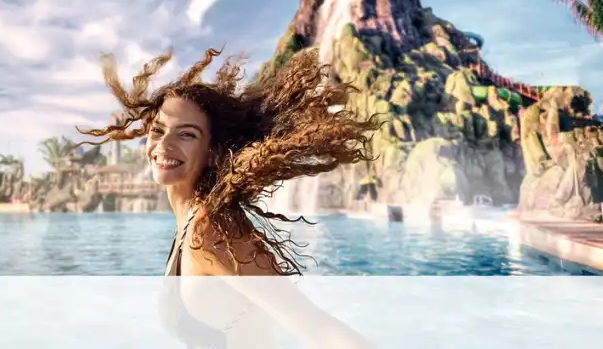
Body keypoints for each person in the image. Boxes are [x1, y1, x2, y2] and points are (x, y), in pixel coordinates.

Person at [77, 47, 380, 348]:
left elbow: (315, 326)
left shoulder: (210, 229)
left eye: (187, 134)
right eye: (158, 130)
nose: (164, 144)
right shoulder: (191, 220)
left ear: (211, 152)